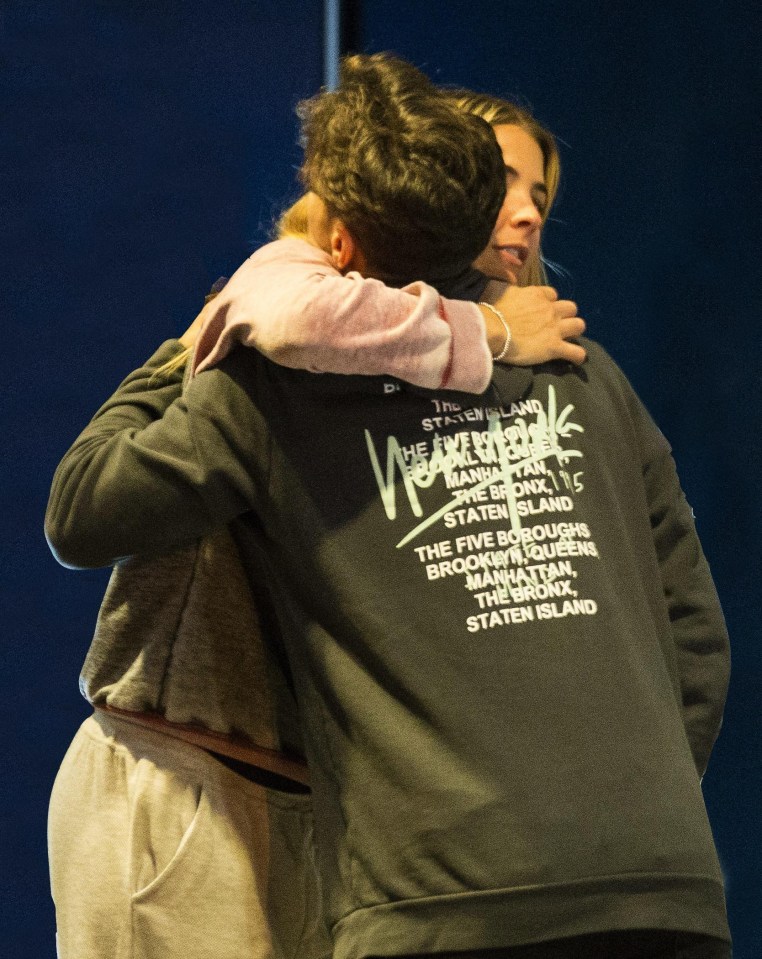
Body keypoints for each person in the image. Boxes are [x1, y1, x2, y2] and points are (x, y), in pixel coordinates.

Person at [46, 56, 731, 959]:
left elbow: (80, 509)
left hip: (433, 882)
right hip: (216, 796)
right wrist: (622, 819)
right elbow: (696, 632)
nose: (525, 213)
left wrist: (202, 339)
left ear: (339, 235)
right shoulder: (582, 375)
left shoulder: (272, 373)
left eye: (537, 190)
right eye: (503, 184)